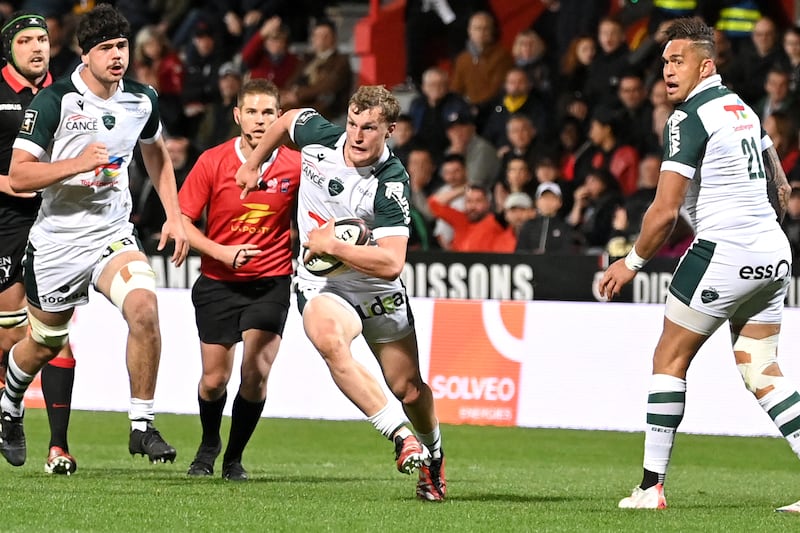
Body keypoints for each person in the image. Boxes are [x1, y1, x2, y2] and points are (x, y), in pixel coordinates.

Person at [598, 17, 800, 512]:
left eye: (677, 60)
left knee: (669, 360)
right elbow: (782, 188)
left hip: (724, 252)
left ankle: (651, 488)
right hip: (773, 252)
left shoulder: (689, 117)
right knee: (762, 369)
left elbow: (664, 211)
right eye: (664, 61)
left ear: (705, 64)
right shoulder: (744, 111)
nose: (667, 70)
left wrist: (632, 262)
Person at [235, 85, 446, 501]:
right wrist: (254, 164)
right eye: (352, 123)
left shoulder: (391, 183)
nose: (357, 135)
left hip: (376, 288)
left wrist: (335, 247)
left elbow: (391, 263)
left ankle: (434, 457)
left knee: (409, 389)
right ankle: (402, 437)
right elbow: (286, 120)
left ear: (390, 130)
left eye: (369, 127)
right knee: (330, 341)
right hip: (324, 284)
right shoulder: (320, 137)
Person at [0, 4, 189, 469]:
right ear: (85, 55)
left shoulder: (141, 99)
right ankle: (10, 403)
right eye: (105, 49)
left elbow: (157, 155)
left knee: (144, 307)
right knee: (45, 342)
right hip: (57, 241)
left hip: (111, 233)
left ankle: (142, 425)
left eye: (121, 46)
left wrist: (175, 216)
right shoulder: (55, 102)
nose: (116, 56)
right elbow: (20, 176)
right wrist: (78, 163)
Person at [179, 79, 300, 481]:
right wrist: (222, 253)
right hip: (218, 281)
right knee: (214, 381)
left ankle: (233, 458)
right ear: (237, 116)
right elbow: (183, 221)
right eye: (252, 112)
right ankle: (209, 442)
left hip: (271, 281)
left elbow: (324, 206)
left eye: (269, 112)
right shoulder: (213, 161)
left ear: (280, 118)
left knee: (256, 374)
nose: (260, 120)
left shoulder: (297, 165)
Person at [0, 11, 79, 475]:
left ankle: (58, 447)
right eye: (26, 40)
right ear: (9, 48)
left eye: (42, 40)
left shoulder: (67, 95)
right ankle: (9, 412)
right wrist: (10, 183)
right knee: (11, 336)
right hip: (6, 221)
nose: (37, 48)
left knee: (55, 335)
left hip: (56, 222)